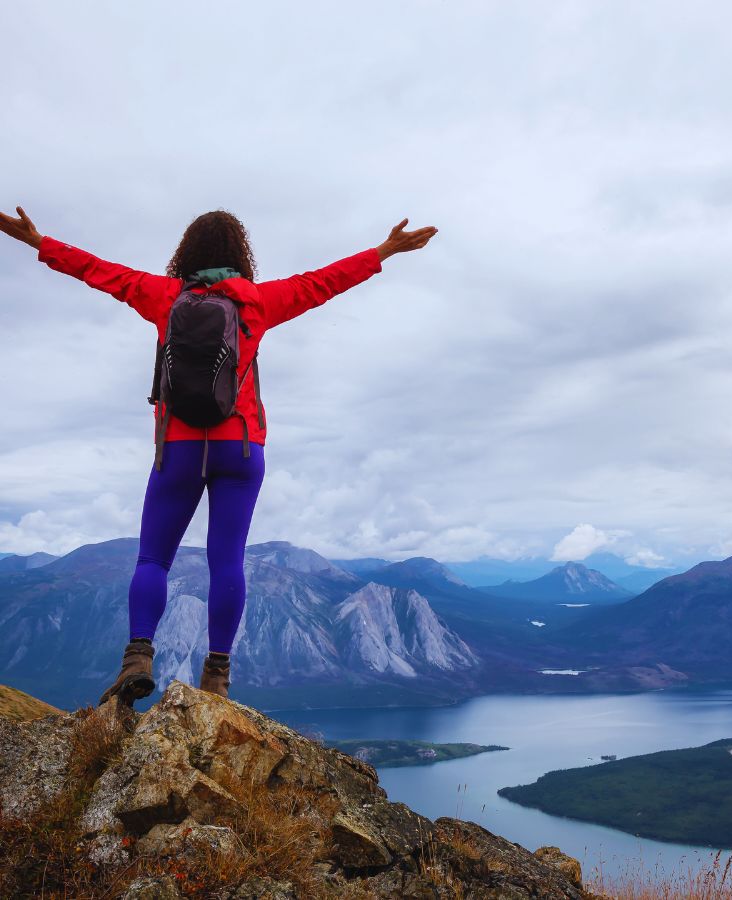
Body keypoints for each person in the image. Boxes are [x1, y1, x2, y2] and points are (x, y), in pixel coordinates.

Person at [0, 205, 437, 705]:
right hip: (241, 447)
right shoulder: (260, 301)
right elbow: (325, 282)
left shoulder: (164, 298)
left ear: (185, 254)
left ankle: (138, 657)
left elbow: (99, 271)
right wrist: (384, 251)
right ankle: (217, 676)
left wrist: (38, 243)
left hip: (179, 449)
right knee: (226, 561)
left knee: (153, 559)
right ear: (240, 254)